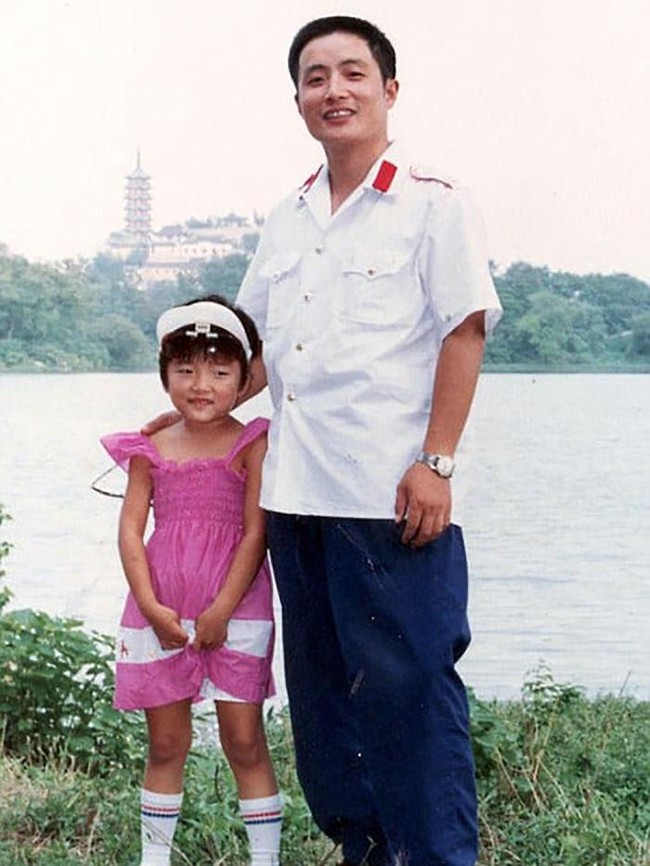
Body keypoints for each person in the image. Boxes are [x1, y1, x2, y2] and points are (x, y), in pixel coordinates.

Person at [234, 15, 503, 866]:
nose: (334, 91)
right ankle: (364, 851)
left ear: (389, 90)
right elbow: (255, 352)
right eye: (316, 78)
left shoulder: (433, 203)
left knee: (411, 691)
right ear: (298, 101)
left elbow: (464, 331)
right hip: (295, 499)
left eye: (353, 74)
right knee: (322, 705)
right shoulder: (287, 217)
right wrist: (188, 409)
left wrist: (436, 462)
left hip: (390, 499)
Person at [101, 295, 282, 866]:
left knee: (245, 741)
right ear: (165, 376)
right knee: (166, 743)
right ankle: (155, 857)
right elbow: (131, 534)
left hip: (237, 611)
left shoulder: (254, 441)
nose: (201, 384)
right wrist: (152, 607)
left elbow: (256, 533)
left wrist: (223, 608)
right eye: (185, 370)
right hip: (160, 611)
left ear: (244, 377)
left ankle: (264, 858)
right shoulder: (147, 447)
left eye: (220, 371)